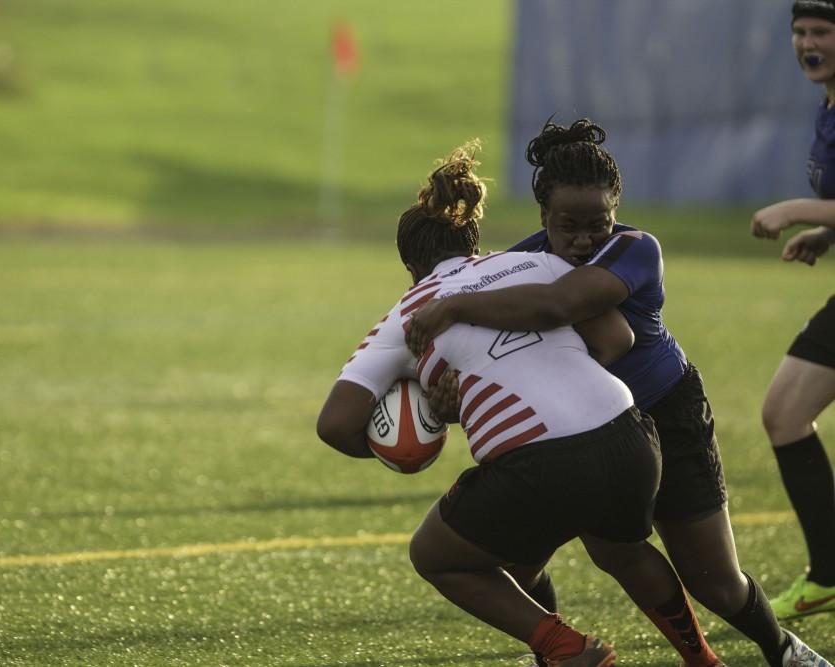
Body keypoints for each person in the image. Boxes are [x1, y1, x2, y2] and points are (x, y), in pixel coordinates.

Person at [404, 122, 831, 667]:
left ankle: (785, 652)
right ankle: (568, 654)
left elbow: (562, 306)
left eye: (596, 225)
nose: (584, 240)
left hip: (667, 412)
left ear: (616, 212)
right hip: (591, 433)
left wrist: (454, 307)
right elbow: (502, 362)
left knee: (717, 582)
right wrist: (452, 400)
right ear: (542, 218)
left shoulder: (634, 248)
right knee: (580, 553)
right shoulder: (519, 263)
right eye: (568, 227)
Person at [317, 141, 725, 667]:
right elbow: (615, 339)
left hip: (540, 462)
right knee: (619, 550)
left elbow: (336, 424)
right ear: (474, 242)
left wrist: (408, 436)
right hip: (630, 434)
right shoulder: (537, 264)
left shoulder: (407, 314)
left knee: (437, 556)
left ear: (410, 266)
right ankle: (703, 659)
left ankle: (564, 648)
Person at [745, 0, 835, 623]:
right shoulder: (828, 102)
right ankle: (829, 576)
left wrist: (796, 210)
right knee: (784, 413)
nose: (807, 42)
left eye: (822, 31)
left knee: (784, 411)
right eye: (800, 31)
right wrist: (825, 236)